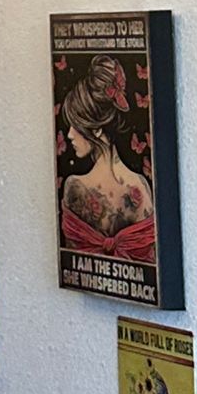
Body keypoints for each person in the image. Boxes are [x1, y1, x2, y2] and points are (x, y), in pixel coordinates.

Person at [58, 56, 155, 264]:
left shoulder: (74, 187)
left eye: (77, 126)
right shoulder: (140, 186)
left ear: (97, 129)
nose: (69, 135)